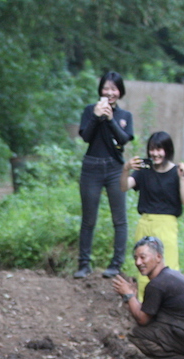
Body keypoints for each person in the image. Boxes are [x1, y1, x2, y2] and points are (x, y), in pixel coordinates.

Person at [76, 71, 134, 280]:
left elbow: (123, 139)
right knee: (88, 219)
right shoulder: (89, 110)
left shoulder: (125, 116)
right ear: (100, 90)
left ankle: (116, 264)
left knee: (119, 219)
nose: (110, 92)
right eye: (106, 88)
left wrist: (110, 119)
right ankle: (84, 265)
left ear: (120, 92)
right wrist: (96, 116)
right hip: (91, 167)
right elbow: (86, 137)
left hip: (115, 168)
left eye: (114, 88)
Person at [120, 131, 184, 300]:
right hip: (146, 223)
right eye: (152, 149)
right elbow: (124, 187)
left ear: (168, 150)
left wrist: (182, 178)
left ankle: (169, 305)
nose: (155, 154)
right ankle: (144, 306)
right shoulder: (144, 169)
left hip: (167, 224)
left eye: (159, 149)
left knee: (169, 267)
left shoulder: (177, 171)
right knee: (144, 266)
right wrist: (126, 169)